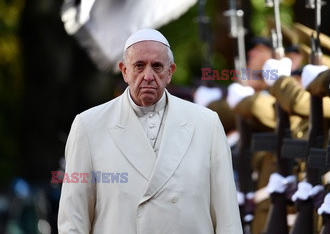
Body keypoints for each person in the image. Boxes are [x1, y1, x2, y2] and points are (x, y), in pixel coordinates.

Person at [58, 28, 242, 234]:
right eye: (139, 66)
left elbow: (228, 218)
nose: (148, 76)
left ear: (170, 72)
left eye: (157, 66)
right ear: (124, 71)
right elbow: (73, 219)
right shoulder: (89, 125)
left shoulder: (207, 124)